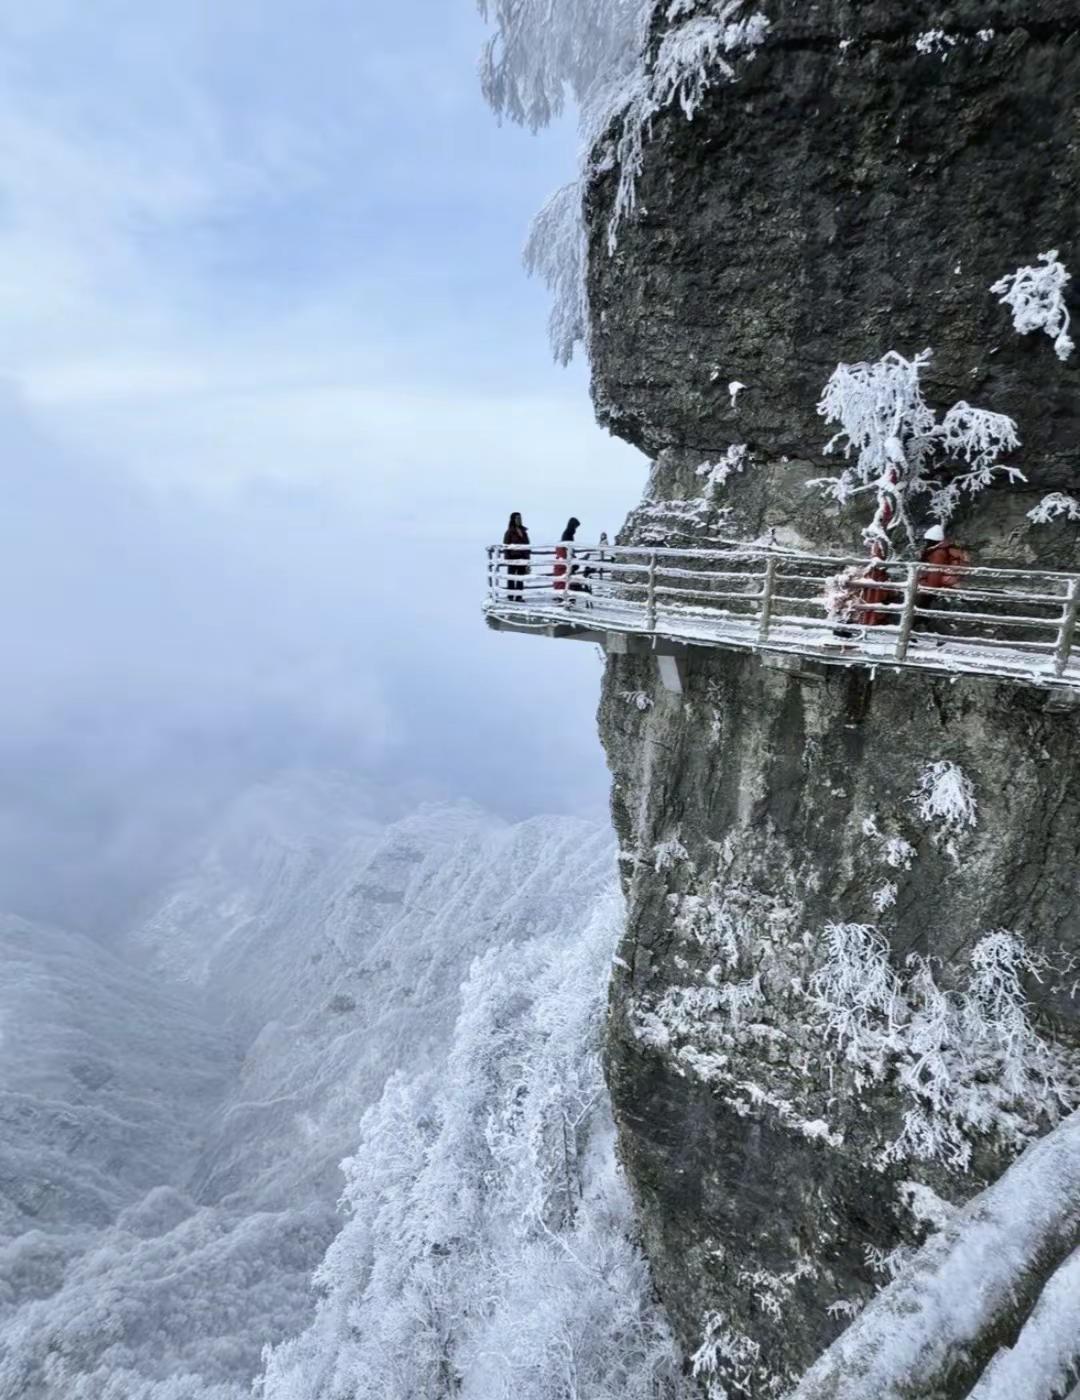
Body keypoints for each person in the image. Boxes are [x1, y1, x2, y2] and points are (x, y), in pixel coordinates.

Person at [917, 523, 971, 638]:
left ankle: (910, 635)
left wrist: (928, 589)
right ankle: (930, 634)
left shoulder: (938, 553)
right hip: (938, 585)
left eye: (927, 540)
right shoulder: (943, 549)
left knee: (919, 610)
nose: (925, 543)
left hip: (932, 586)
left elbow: (935, 572)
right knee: (922, 612)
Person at [503, 512, 530, 602]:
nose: (519, 520)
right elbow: (506, 546)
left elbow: (527, 545)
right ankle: (510, 596)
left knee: (520, 578)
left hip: (522, 558)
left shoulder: (524, 532)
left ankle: (519, 596)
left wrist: (527, 560)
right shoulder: (509, 532)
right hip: (512, 558)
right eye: (517, 518)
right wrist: (508, 559)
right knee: (511, 578)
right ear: (513, 519)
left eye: (520, 518)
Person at [553, 517, 581, 598]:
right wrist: (571, 557)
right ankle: (564, 596)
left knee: (567, 578)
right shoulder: (568, 534)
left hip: (567, 557)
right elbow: (567, 548)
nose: (576, 528)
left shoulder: (569, 533)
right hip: (566, 559)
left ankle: (565, 595)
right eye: (576, 526)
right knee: (565, 579)